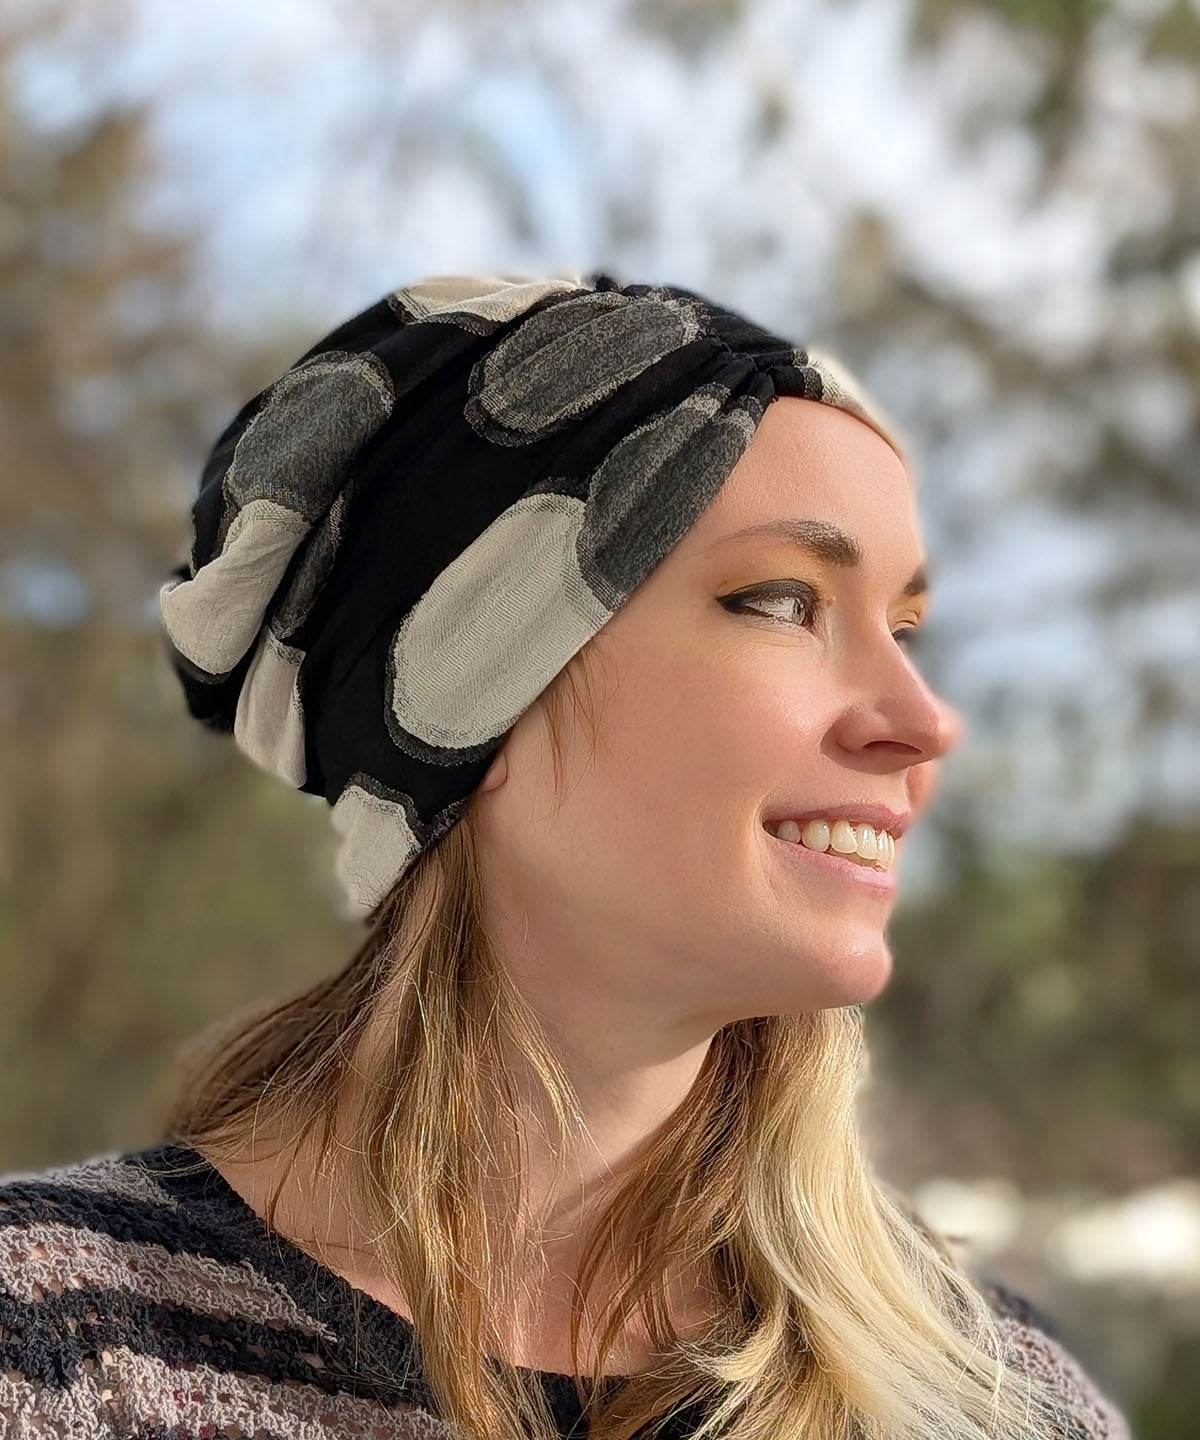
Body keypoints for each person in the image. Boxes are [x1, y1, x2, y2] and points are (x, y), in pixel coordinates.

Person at [0, 272, 1133, 1440]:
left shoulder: (1004, 1397)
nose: (923, 719)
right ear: (466, 696)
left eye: (903, 629)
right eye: (784, 601)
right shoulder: (53, 1350)